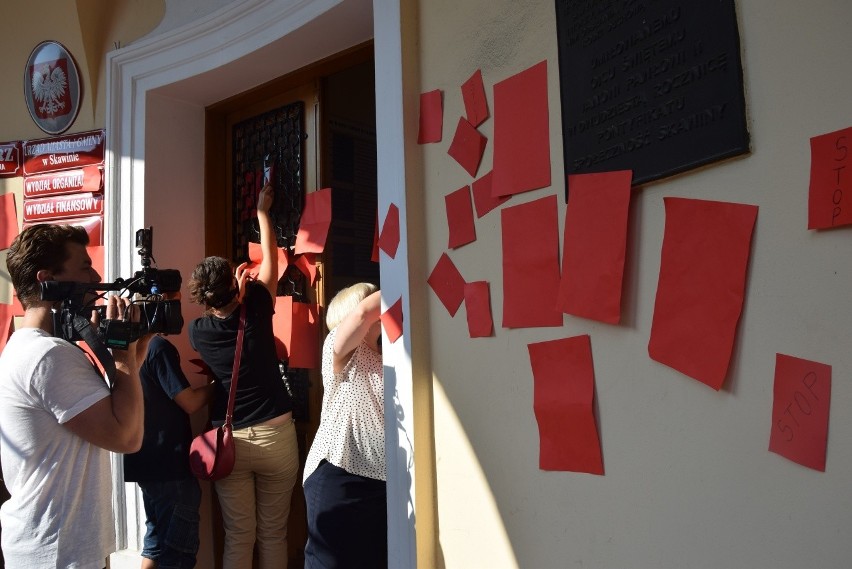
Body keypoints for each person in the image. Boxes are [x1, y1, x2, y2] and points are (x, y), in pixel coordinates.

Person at [0, 223, 148, 568]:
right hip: (57, 551)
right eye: (83, 265)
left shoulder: (28, 348)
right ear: (47, 279)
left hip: (57, 546)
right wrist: (122, 359)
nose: (95, 274)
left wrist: (134, 353)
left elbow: (117, 407)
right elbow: (126, 436)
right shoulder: (47, 356)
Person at [187, 183, 299, 569]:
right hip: (274, 434)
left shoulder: (197, 332)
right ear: (235, 289)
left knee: (238, 536)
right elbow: (271, 263)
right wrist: (263, 213)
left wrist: (233, 295)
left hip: (227, 439)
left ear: (203, 298)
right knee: (273, 533)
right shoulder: (255, 303)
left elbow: (223, 312)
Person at [303, 283, 387, 569]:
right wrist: (404, 282)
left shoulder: (387, 358)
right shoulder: (336, 348)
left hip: (381, 484)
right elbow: (364, 313)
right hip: (340, 476)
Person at [124, 333, 213, 569]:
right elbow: (190, 402)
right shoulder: (157, 347)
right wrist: (220, 386)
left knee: (155, 544)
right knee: (177, 555)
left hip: (144, 460)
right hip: (170, 465)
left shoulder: (127, 344)